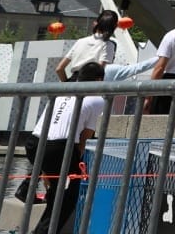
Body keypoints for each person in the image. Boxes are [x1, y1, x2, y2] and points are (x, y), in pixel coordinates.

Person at [29, 63, 107, 234]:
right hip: (59, 146)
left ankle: (41, 228)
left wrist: (44, 170)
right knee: (68, 197)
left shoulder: (63, 92)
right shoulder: (95, 98)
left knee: (56, 190)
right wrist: (76, 159)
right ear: (99, 79)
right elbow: (85, 136)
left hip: (34, 143)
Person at [56, 11, 121, 81]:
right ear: (115, 26)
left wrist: (67, 85)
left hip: (73, 82)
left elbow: (59, 69)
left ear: (96, 23)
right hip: (90, 85)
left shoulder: (80, 41)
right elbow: (100, 71)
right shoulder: (108, 45)